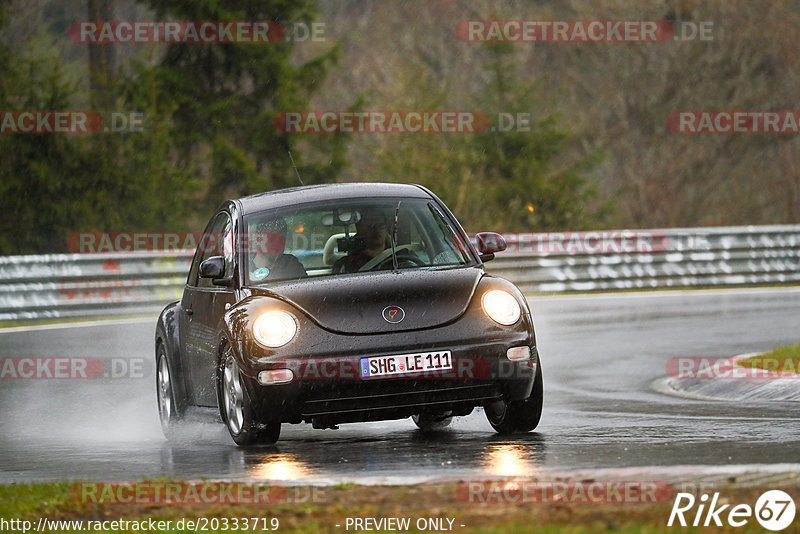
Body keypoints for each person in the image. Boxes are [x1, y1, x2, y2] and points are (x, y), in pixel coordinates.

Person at [332, 208, 389, 273]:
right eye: (370, 227)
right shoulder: (345, 266)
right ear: (359, 229)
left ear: (387, 228)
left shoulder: (398, 257)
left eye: (380, 225)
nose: (377, 230)